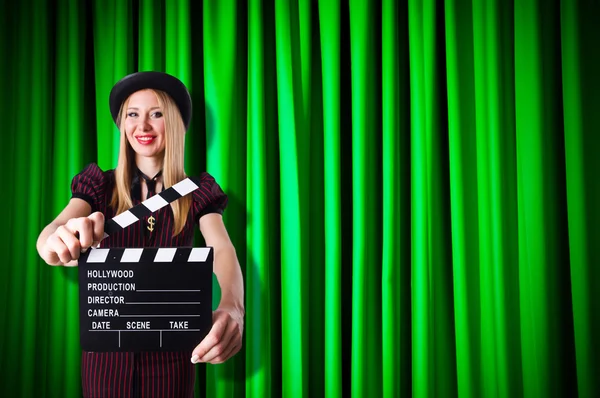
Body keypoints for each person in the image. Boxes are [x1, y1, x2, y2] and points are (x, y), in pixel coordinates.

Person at [36, 71, 244, 397]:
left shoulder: (197, 190)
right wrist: (53, 243)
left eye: (156, 114)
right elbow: (51, 231)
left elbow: (221, 247)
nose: (143, 126)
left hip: (173, 357)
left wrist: (234, 305)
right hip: (105, 360)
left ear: (175, 124)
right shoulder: (99, 185)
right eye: (133, 114)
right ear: (122, 125)